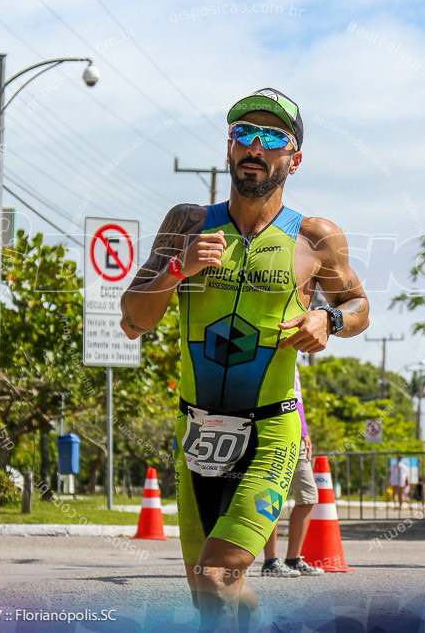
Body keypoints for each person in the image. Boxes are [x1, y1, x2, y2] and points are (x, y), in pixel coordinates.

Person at [119, 88, 370, 629]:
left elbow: (358, 305)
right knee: (213, 588)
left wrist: (329, 319)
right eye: (244, 135)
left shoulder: (315, 237)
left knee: (215, 580)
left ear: (294, 159)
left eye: (273, 138)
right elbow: (134, 320)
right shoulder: (187, 223)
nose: (255, 147)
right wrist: (175, 270)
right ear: (229, 148)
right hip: (198, 434)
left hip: (270, 435)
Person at [261, 366, 324, 577]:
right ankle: (270, 562)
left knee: (308, 495)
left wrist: (304, 431)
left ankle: (293, 559)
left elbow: (297, 400)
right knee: (271, 497)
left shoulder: (295, 361)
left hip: (296, 433)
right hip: (273, 432)